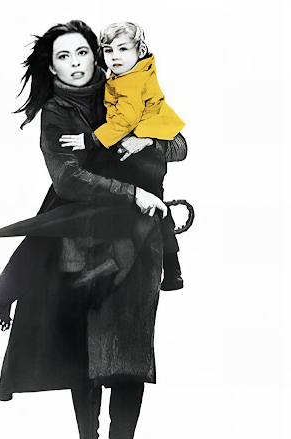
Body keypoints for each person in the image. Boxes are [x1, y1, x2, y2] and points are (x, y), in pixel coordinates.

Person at [0, 20, 173, 439]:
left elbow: (179, 143)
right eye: (63, 57)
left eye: (83, 52)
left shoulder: (126, 88)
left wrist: (144, 142)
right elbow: (68, 180)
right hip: (81, 243)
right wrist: (131, 191)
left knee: (131, 356)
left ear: (96, 54)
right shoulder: (56, 113)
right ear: (52, 68)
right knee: (88, 355)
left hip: (139, 243)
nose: (76, 63)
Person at [60, 21, 187, 290]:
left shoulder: (131, 81)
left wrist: (90, 140)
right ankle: (171, 266)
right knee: (151, 205)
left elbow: (125, 121)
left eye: (123, 49)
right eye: (108, 51)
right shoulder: (125, 75)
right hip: (139, 152)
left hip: (147, 156)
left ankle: (168, 265)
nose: (115, 57)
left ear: (139, 51)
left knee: (153, 205)